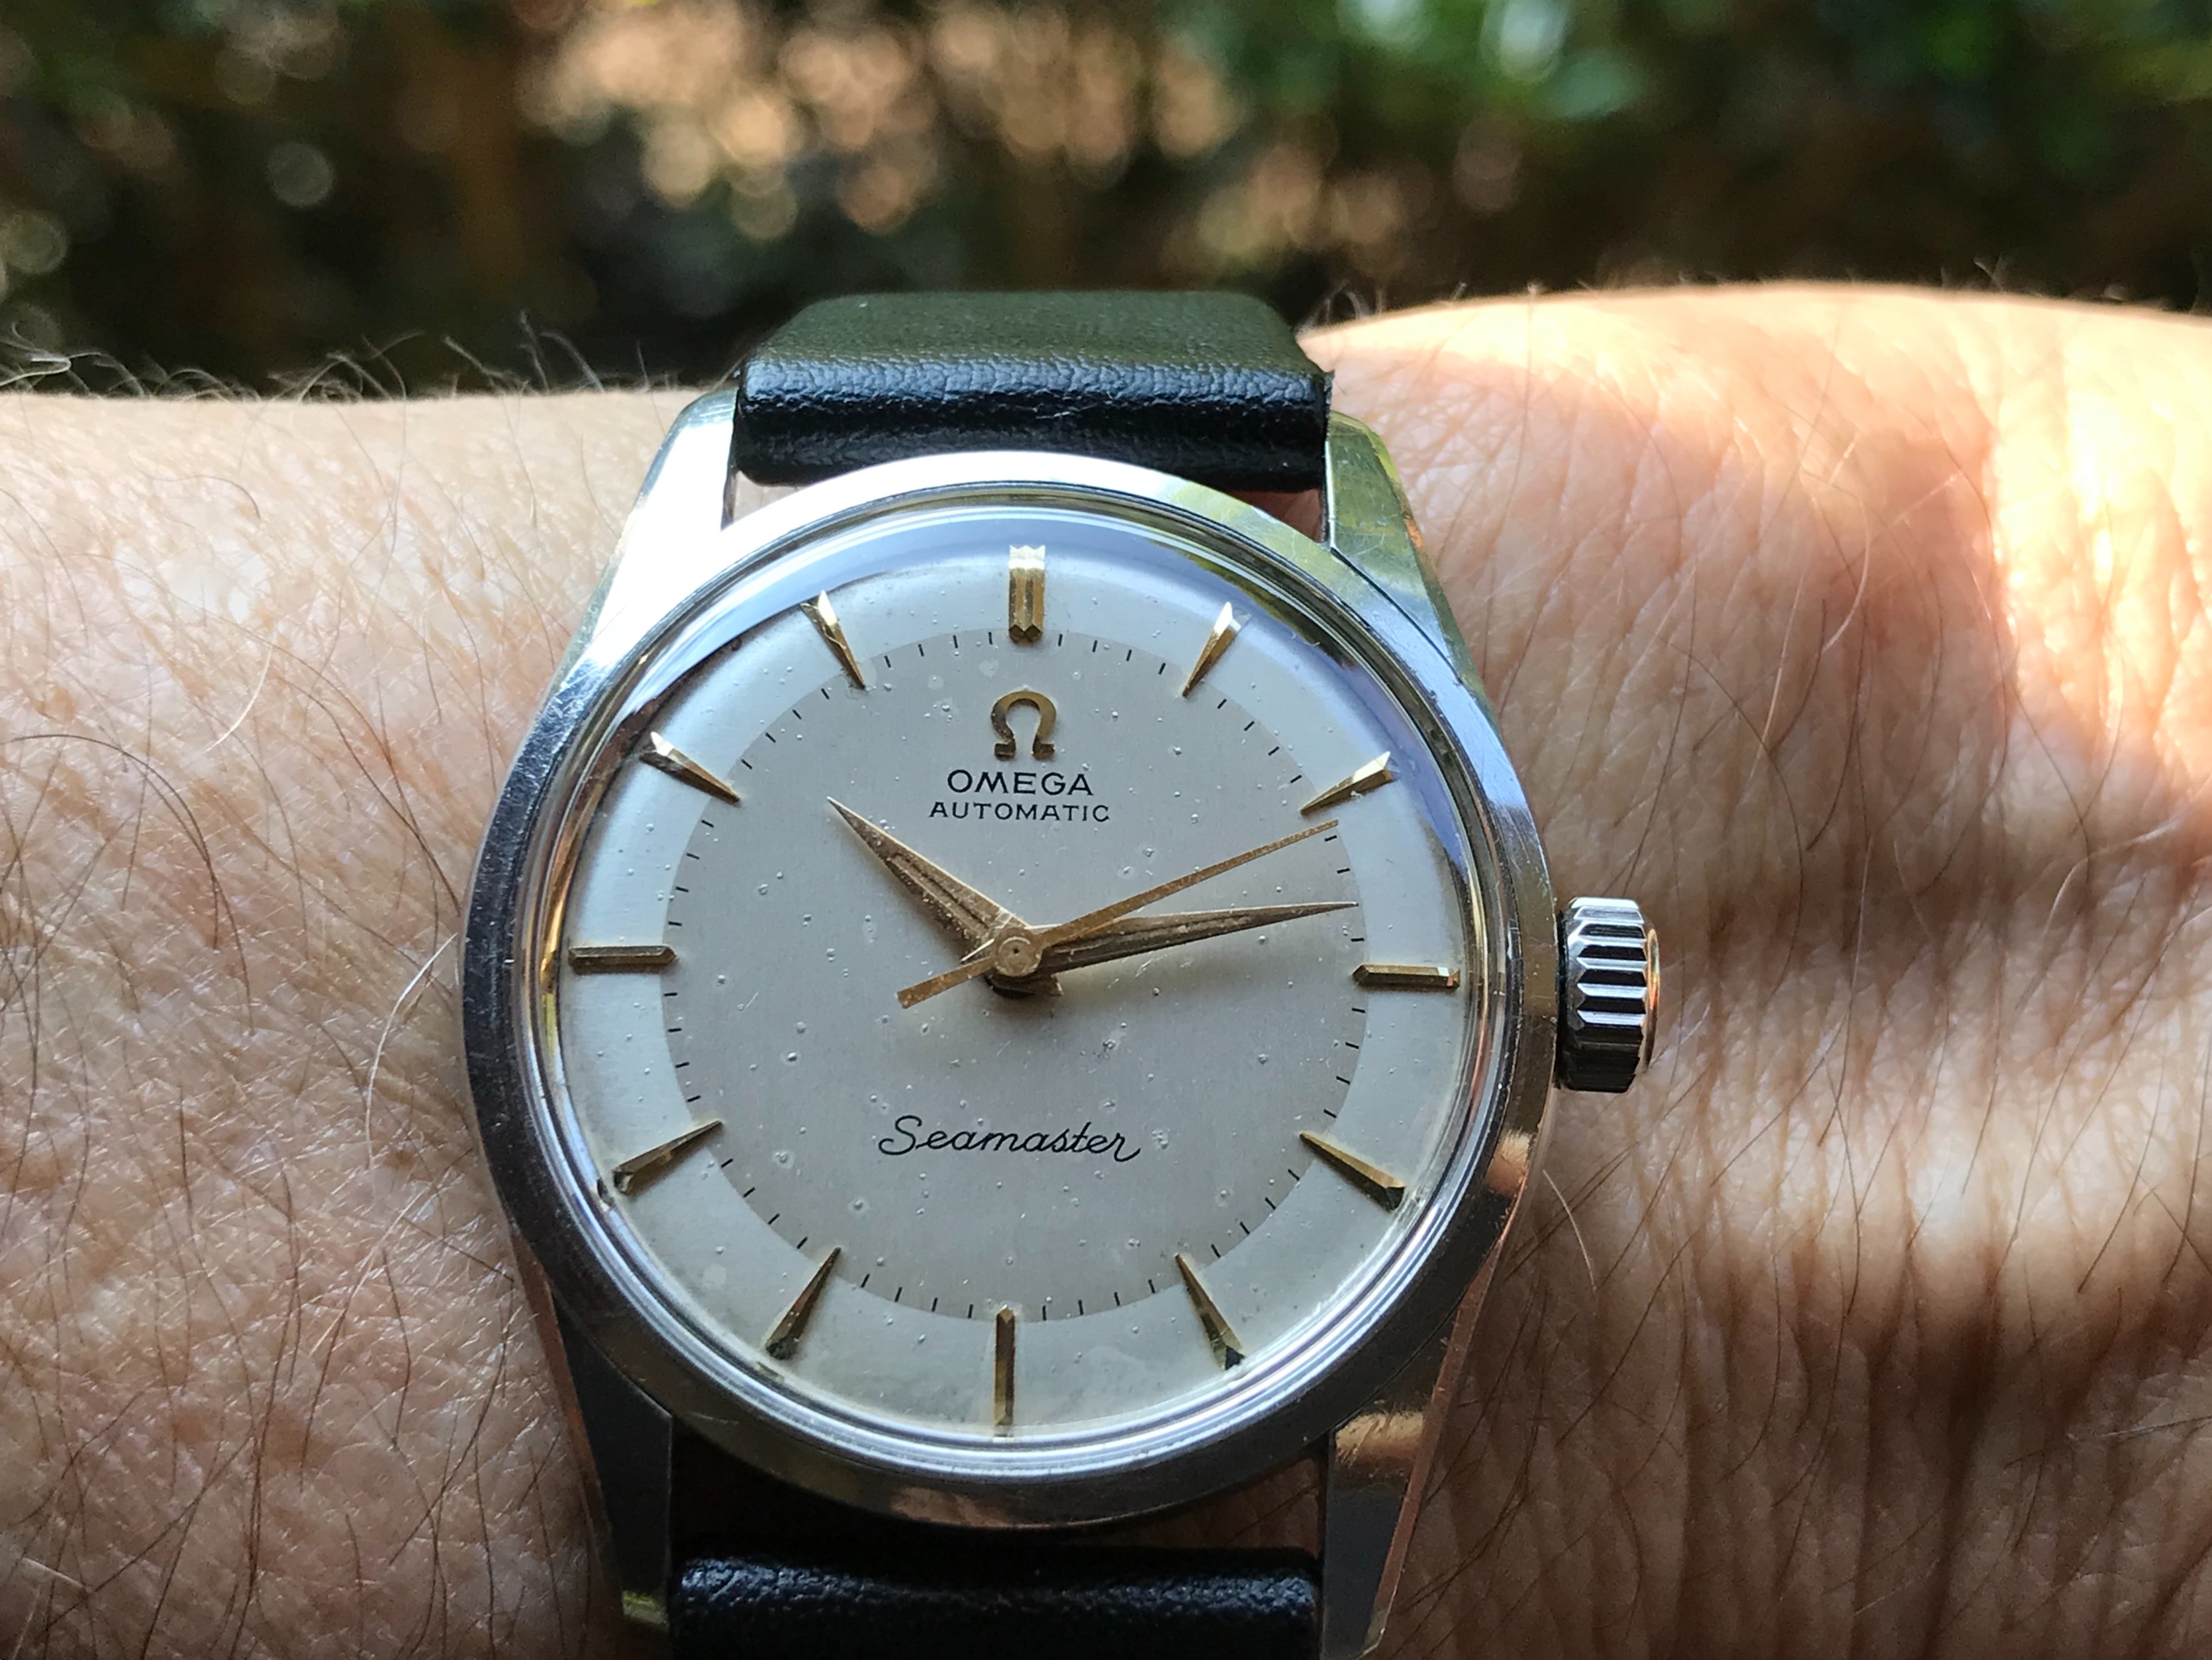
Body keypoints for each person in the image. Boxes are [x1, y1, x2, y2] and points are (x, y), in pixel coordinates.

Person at [1, 285, 2207, 1657]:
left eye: (1036, 946)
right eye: (1004, 942)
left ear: (1562, 991)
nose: (1018, 958)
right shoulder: (724, 545)